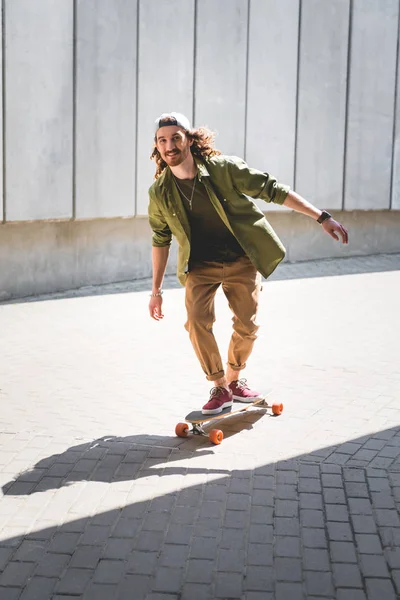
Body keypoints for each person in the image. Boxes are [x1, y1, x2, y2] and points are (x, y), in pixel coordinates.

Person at [148, 112, 348, 415]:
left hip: (241, 258)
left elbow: (273, 189)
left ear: (189, 139)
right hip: (199, 265)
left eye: (176, 137)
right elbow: (160, 239)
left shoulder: (224, 169)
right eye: (163, 140)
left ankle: (234, 380)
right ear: (157, 147)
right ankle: (218, 386)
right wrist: (156, 290)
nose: (170, 145)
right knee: (196, 322)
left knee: (248, 325)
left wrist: (321, 217)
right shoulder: (160, 191)